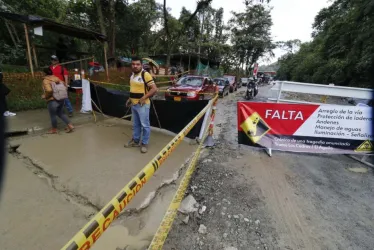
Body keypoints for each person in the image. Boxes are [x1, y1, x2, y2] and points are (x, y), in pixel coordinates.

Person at [124, 56, 158, 153]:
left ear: (141, 65)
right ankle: (135, 140)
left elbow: (154, 89)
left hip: (143, 105)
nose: (135, 66)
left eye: (137, 64)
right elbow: (133, 89)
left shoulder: (145, 74)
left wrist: (144, 97)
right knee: (136, 124)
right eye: (133, 64)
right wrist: (130, 99)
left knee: (145, 125)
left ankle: (144, 143)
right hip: (134, 104)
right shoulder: (132, 75)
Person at [42, 68, 74, 134]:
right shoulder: (56, 78)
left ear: (45, 73)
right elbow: (64, 85)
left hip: (52, 100)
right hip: (61, 99)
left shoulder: (45, 80)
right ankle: (70, 125)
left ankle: (54, 129)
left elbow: (49, 90)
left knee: (53, 115)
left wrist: (45, 96)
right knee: (61, 113)